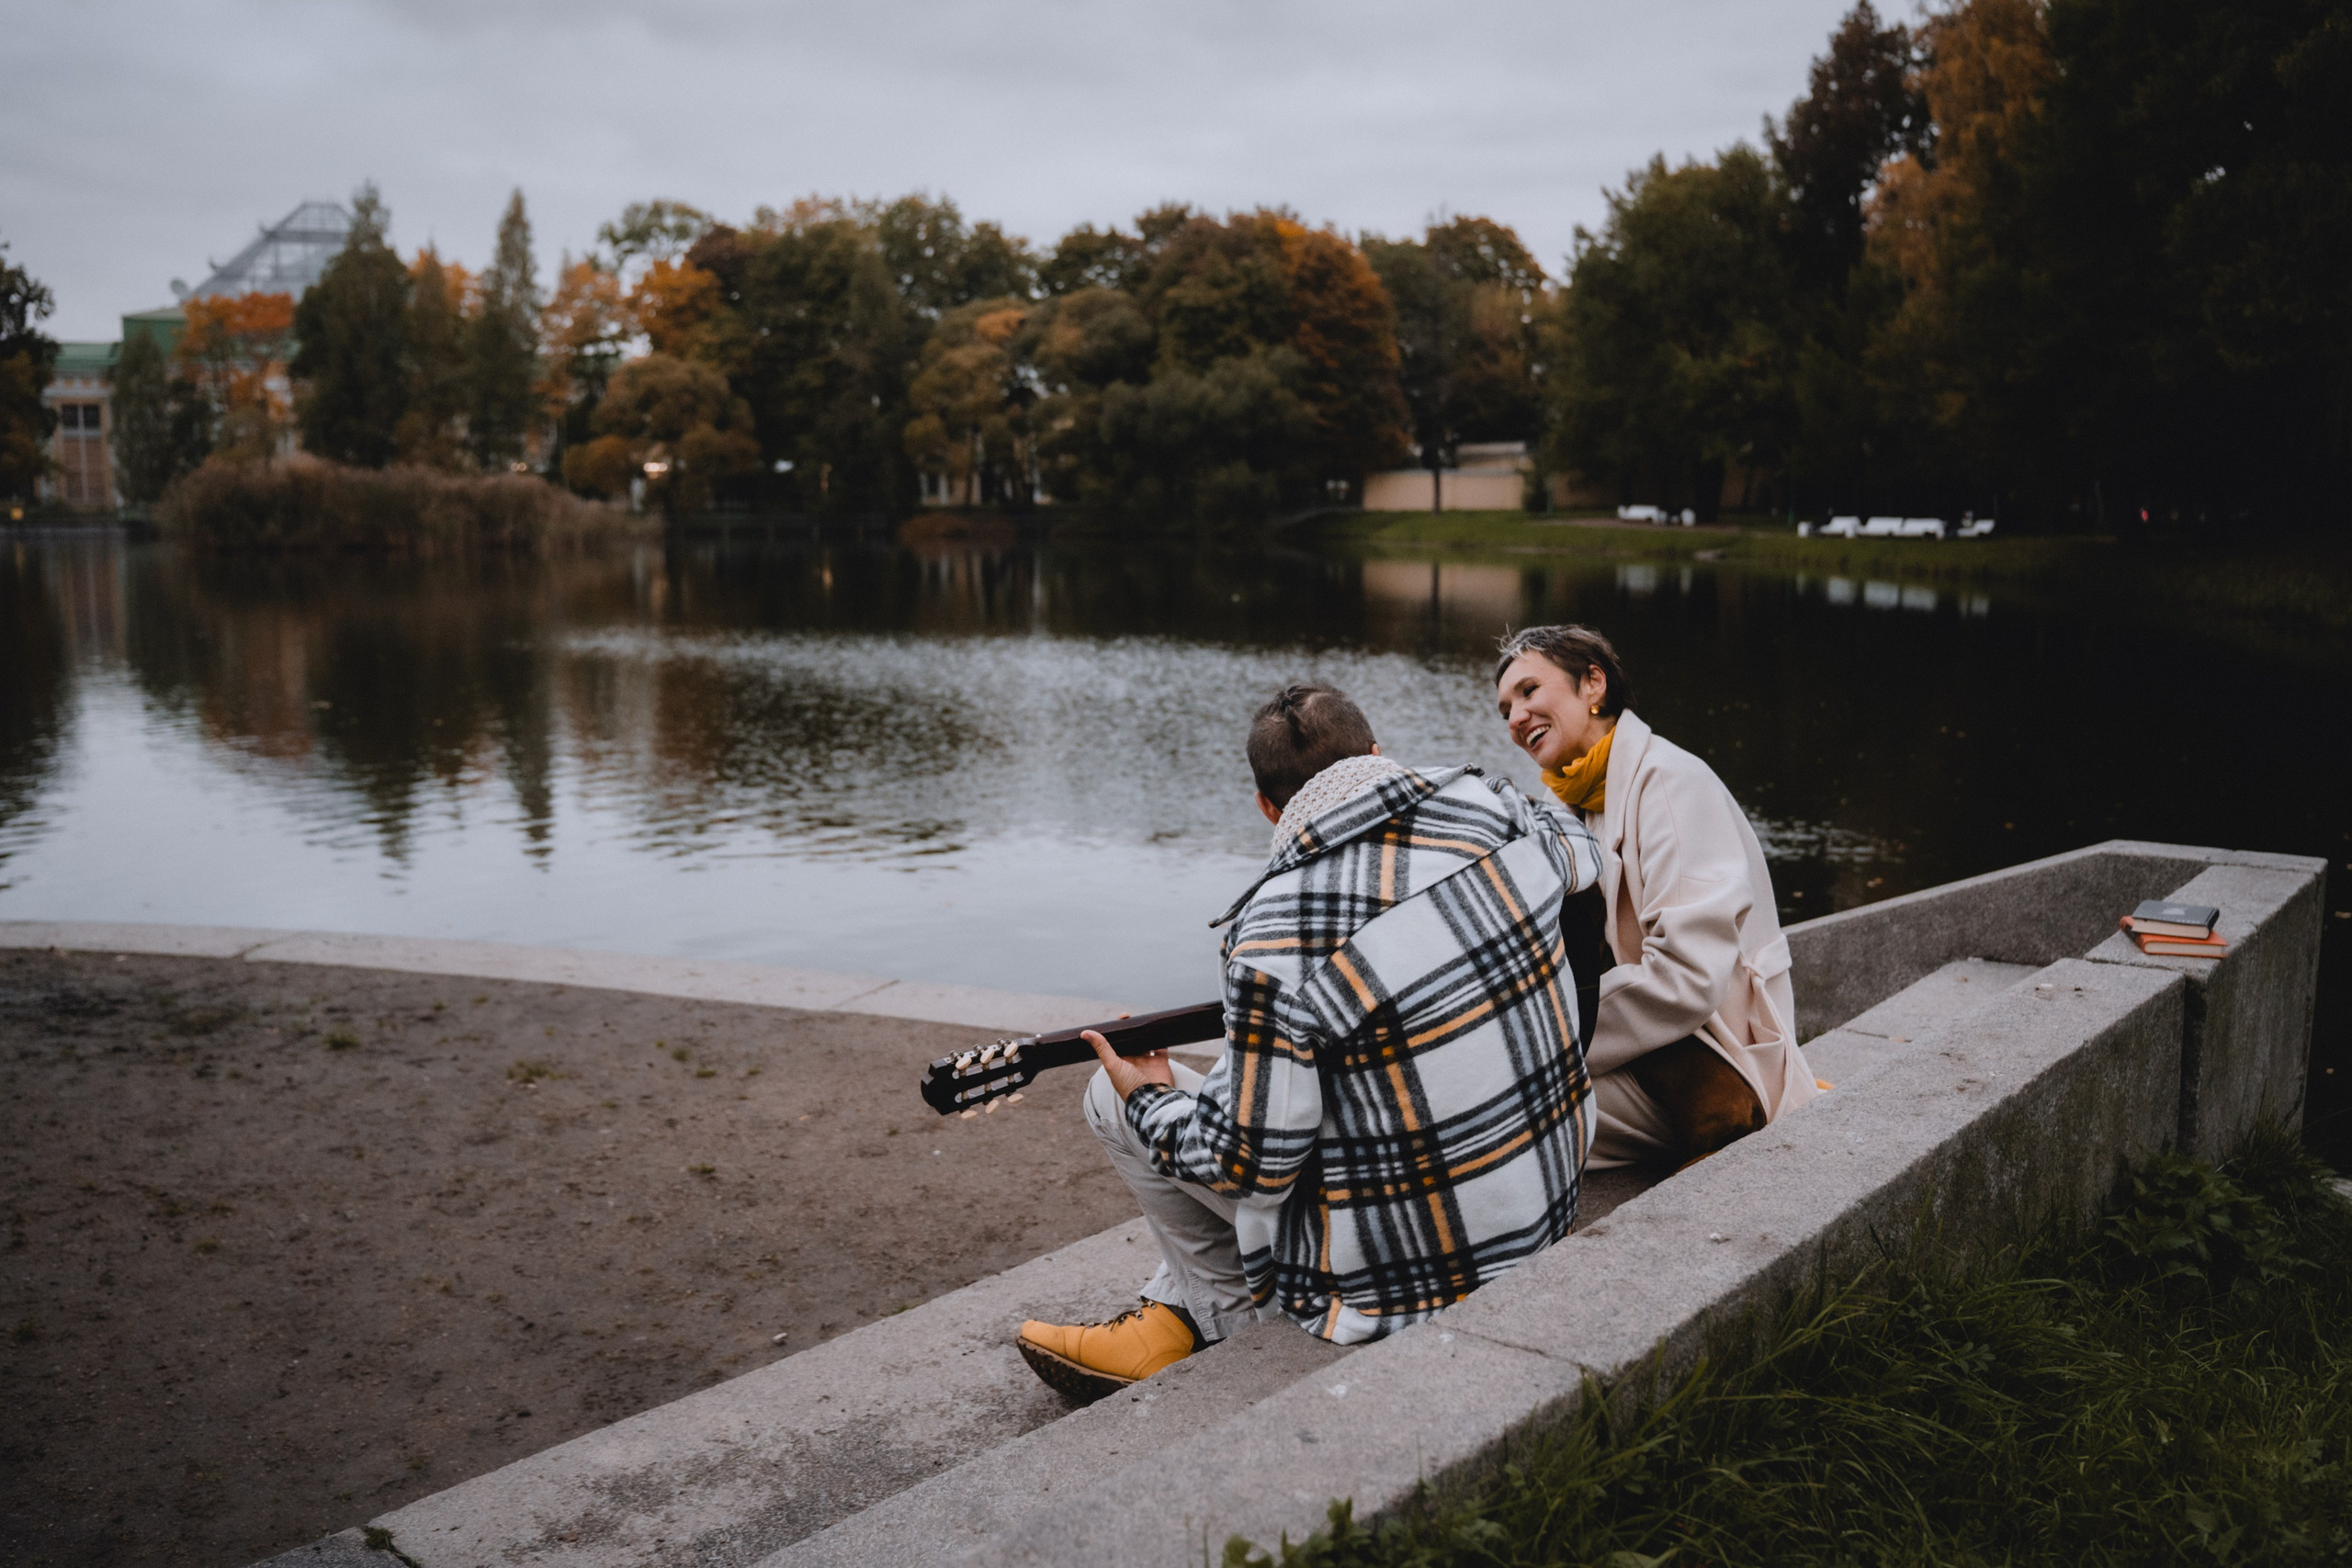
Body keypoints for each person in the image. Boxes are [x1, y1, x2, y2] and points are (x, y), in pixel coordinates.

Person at [1014, 682, 1604, 1397]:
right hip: (1545, 1213)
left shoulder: (1275, 933)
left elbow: (1246, 1166)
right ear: (1378, 754)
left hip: (1407, 1284)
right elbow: (1581, 852)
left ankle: (1220, 1321)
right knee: (1288, 1080)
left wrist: (1150, 1098)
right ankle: (1175, 1308)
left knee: (1114, 1097)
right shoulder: (1495, 807)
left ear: (1267, 806)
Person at [1491, 625, 1819, 1170]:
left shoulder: (1668, 782)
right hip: (1645, 1051)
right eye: (1505, 710)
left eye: (1529, 692)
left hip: (1716, 1063)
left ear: (1593, 683)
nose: (1516, 718)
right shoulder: (1579, 802)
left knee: (1491, 1118)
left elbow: (1686, 977)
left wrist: (1543, 1036)